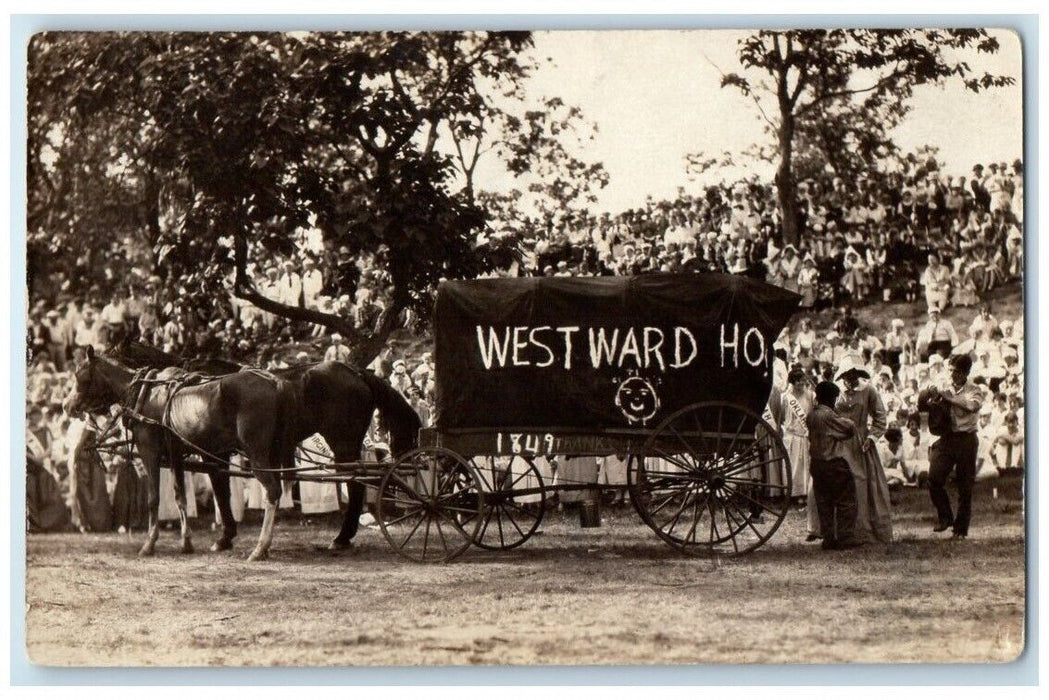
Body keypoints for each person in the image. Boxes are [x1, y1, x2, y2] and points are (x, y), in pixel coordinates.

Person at [835, 358, 893, 544]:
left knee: (861, 482)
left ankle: (862, 530)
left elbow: (880, 417)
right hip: (837, 442)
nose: (850, 379)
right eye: (846, 376)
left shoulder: (868, 390)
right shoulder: (835, 390)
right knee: (835, 482)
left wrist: (872, 438)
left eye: (853, 375)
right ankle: (834, 530)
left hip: (860, 443)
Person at [924, 354, 982, 539]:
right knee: (934, 478)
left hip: (967, 439)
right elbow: (926, 404)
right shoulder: (943, 385)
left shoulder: (975, 389)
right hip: (947, 438)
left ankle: (960, 530)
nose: (951, 375)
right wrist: (930, 396)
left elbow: (972, 407)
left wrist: (948, 399)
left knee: (965, 487)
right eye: (949, 370)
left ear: (965, 373)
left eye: (955, 372)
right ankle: (945, 517)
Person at [805, 381, 860, 550]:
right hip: (833, 462)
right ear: (831, 398)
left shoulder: (811, 415)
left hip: (817, 463)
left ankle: (828, 538)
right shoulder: (828, 415)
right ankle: (845, 537)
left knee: (824, 502)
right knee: (847, 500)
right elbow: (849, 428)